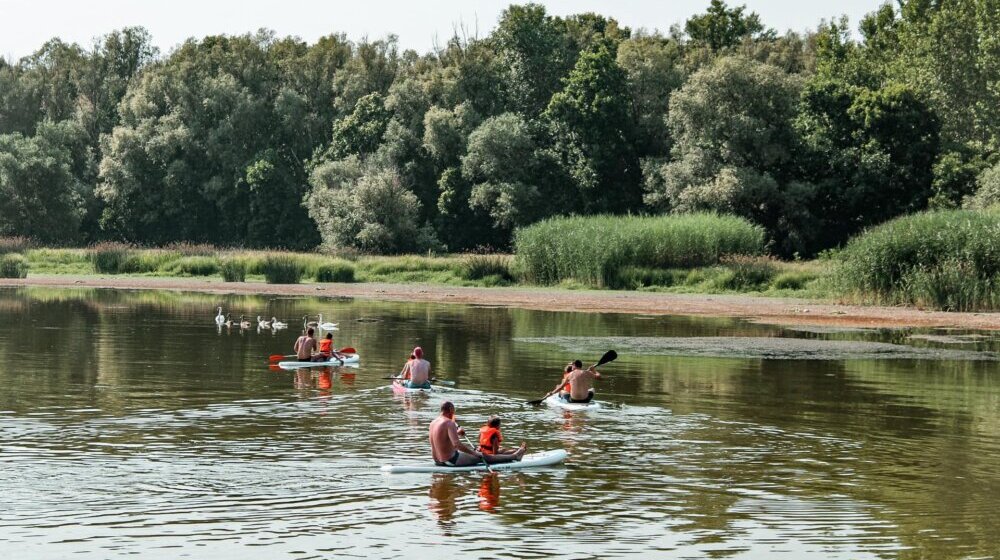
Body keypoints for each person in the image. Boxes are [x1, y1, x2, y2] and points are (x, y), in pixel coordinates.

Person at [429, 402, 525, 467]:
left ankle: (512, 455)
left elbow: (442, 439)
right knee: (483, 455)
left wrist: (457, 433)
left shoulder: (433, 423)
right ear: (450, 409)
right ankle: (515, 456)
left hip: (437, 460)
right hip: (450, 460)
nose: (454, 413)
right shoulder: (449, 423)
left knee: (475, 453)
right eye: (454, 410)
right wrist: (474, 453)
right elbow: (456, 445)